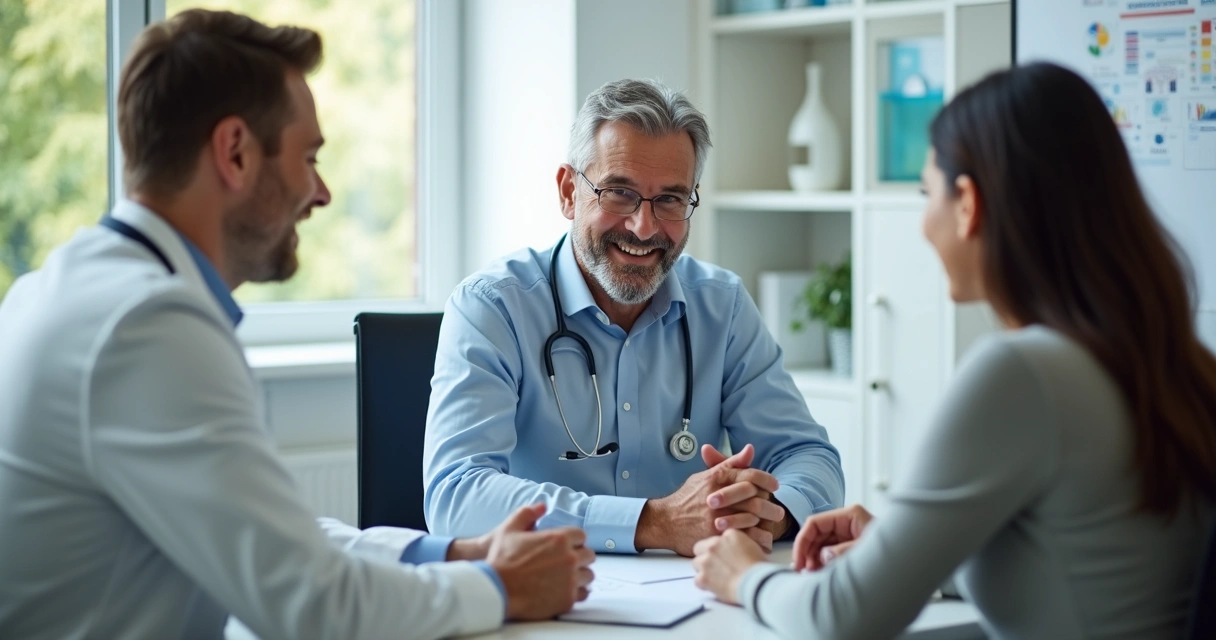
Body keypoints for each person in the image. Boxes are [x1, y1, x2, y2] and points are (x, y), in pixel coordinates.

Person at [0, 10, 594, 640]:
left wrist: (453, 555)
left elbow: (271, 538)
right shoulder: (148, 328)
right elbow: (310, 604)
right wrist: (499, 588)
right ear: (235, 153)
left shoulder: (65, 288)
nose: (322, 192)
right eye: (308, 157)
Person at [692, 62, 1216, 638]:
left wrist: (743, 576)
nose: (922, 224)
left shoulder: (1022, 374)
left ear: (968, 202)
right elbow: (1091, 564)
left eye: (927, 193)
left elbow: (841, 617)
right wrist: (901, 547)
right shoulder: (1171, 361)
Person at [423, 78, 844, 557]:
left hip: (692, 590)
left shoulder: (721, 306)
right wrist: (654, 522)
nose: (644, 227)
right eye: (619, 193)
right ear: (568, 191)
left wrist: (769, 512)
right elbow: (455, 495)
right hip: (547, 587)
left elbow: (808, 456)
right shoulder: (492, 307)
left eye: (670, 199)